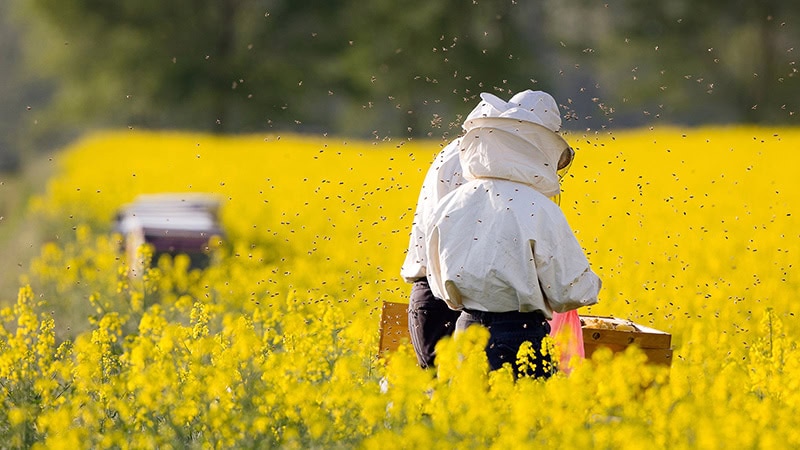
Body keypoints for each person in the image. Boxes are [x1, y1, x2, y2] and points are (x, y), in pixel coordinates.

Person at [424, 90, 602, 378]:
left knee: (466, 421)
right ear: (538, 149)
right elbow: (571, 290)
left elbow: (436, 280)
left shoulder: (452, 203)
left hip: (463, 335)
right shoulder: (539, 209)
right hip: (519, 340)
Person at [400, 97, 502, 369]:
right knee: (454, 390)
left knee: (443, 393)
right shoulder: (474, 159)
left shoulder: (453, 152)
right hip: (449, 292)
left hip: (434, 290)